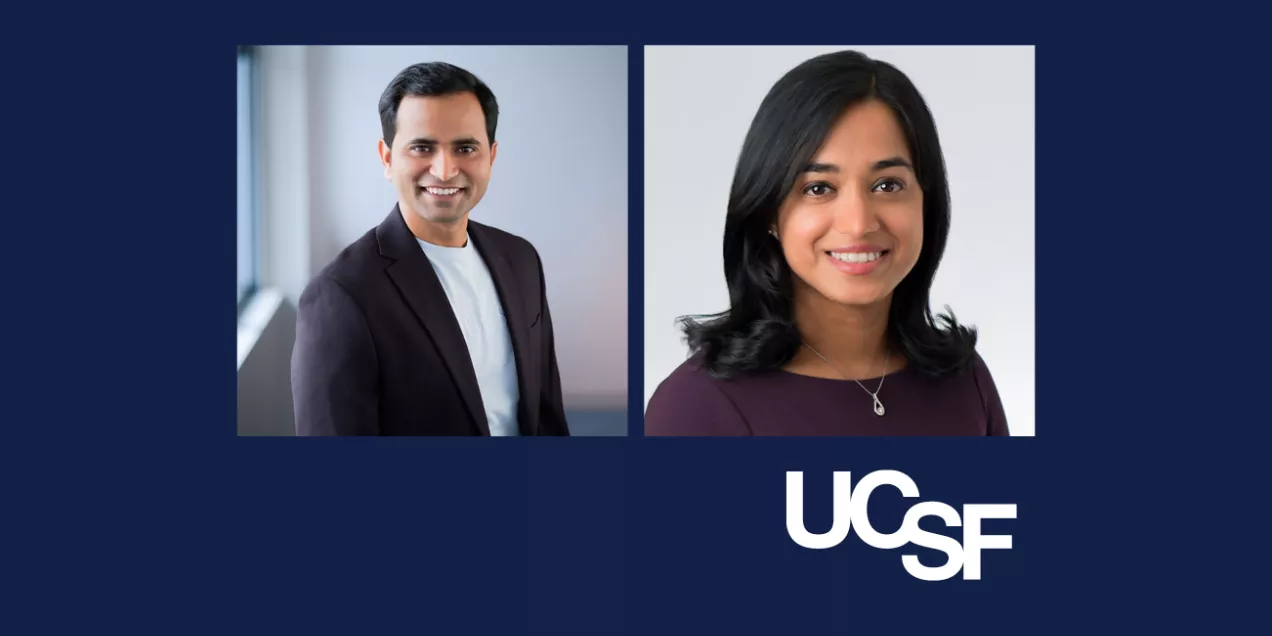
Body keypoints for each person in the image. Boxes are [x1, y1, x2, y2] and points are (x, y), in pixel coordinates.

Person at [644, 50, 1008, 436]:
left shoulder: (966, 382)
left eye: (887, 185)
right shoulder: (696, 409)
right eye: (819, 188)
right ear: (769, 211)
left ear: (925, 201)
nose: (858, 224)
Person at [292, 62, 569, 436]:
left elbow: (547, 417)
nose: (443, 170)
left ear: (492, 155)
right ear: (387, 158)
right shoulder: (341, 294)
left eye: (465, 148)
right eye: (422, 147)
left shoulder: (521, 260)